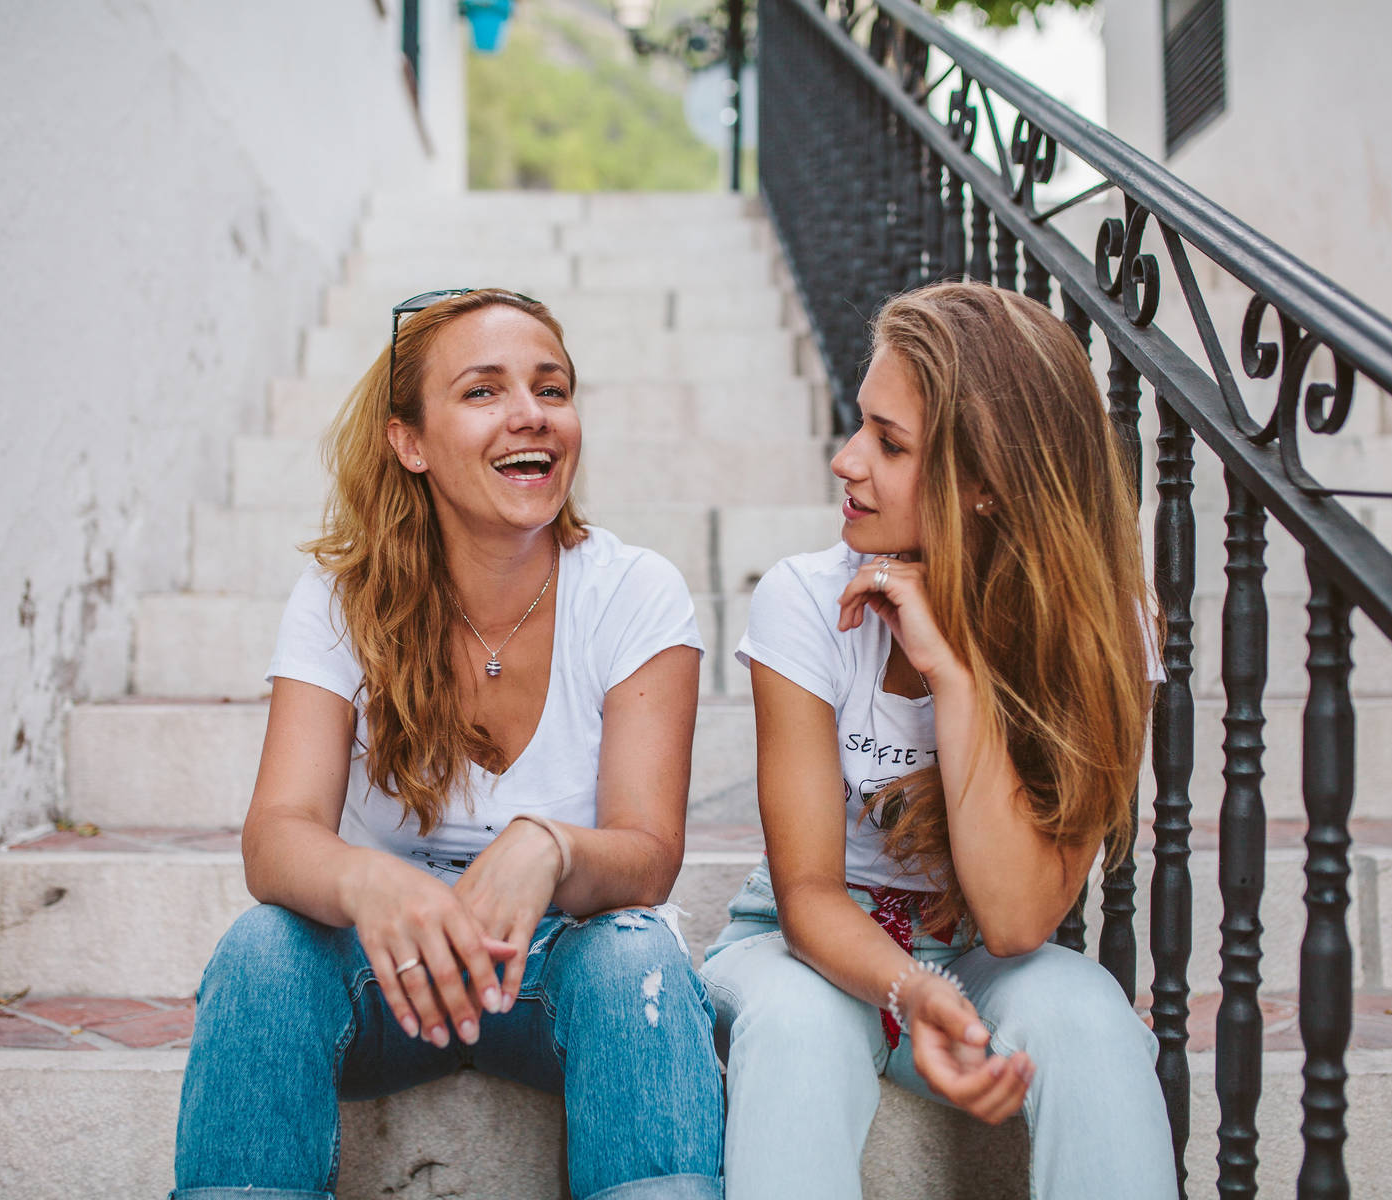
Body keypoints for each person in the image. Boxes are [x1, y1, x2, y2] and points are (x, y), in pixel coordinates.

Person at [172, 288, 724, 1200]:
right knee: (262, 950)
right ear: (410, 442)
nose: (530, 415)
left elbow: (649, 855)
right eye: (483, 392)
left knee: (638, 954)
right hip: (387, 963)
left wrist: (549, 848)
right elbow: (276, 834)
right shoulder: (339, 601)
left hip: (564, 961)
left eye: (552, 388)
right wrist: (367, 879)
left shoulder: (634, 591)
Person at [699, 281, 1176, 1199]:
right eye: (859, 426)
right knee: (797, 1030)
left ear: (988, 485)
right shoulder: (805, 600)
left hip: (986, 954)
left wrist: (955, 679)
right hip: (810, 947)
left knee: (1092, 1020)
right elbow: (806, 895)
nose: (846, 461)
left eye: (889, 443)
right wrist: (909, 990)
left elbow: (1018, 916)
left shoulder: (1103, 626)